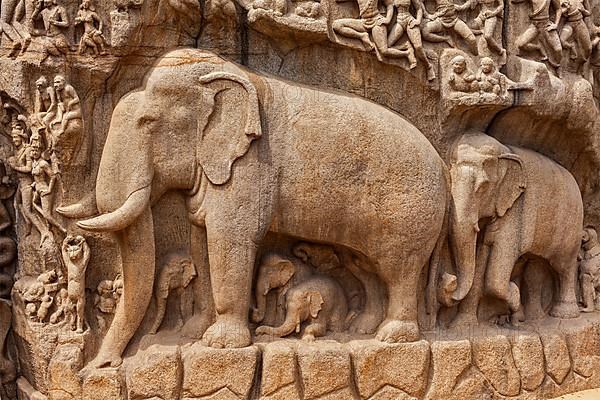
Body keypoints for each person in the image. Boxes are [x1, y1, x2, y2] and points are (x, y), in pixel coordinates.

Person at [387, 0, 436, 80]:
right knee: (388, 45)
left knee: (418, 47)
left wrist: (418, 21)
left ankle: (428, 66)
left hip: (410, 21)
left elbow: (419, 8)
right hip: (399, 22)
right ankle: (406, 48)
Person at [149, 254, 197, 334]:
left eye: (170, 276)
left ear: (185, 272)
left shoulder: (188, 284)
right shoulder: (178, 287)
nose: (166, 280)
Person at [513, 0, 563, 73]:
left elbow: (558, 9)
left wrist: (556, 24)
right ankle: (538, 47)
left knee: (558, 50)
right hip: (535, 25)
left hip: (546, 25)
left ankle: (558, 66)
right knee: (521, 44)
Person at [30, 137, 66, 235]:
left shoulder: (43, 163)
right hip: (37, 189)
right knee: (34, 204)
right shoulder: (34, 163)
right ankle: (48, 222)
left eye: (36, 150)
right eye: (33, 150)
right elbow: (37, 177)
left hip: (44, 189)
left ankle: (62, 228)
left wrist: (49, 190)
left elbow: (53, 176)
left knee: (47, 214)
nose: (34, 152)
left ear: (40, 151)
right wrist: (34, 183)